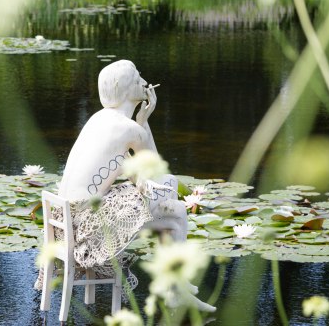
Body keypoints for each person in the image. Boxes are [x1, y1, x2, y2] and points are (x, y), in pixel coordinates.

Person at [40, 60, 213, 312]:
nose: (144, 82)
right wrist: (145, 120)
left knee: (169, 204)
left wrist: (140, 125)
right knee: (176, 209)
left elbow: (133, 169)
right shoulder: (129, 128)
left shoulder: (98, 119)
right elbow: (158, 169)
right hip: (89, 232)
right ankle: (175, 287)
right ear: (125, 87)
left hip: (68, 223)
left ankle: (176, 285)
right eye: (138, 77)